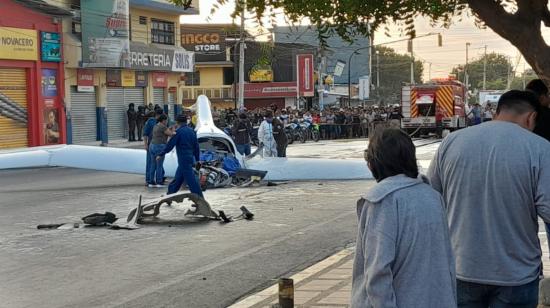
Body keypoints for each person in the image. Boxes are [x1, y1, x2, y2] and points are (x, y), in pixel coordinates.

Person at [427, 90, 550, 307]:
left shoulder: (452, 142)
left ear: (497, 111)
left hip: (461, 268)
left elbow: (431, 199)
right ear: (531, 118)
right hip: (516, 275)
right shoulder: (540, 148)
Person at [352, 128, 456, 307]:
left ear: (373, 163)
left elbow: (378, 275)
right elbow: (447, 261)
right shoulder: (431, 195)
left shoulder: (381, 201)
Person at [156, 115, 203, 198]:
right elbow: (196, 146)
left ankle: (199, 198)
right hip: (190, 157)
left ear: (177, 123)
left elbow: (170, 145)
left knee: (191, 180)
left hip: (183, 158)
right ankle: (169, 195)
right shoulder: (192, 131)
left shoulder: (179, 132)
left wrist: (161, 154)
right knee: (178, 178)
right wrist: (198, 159)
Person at [148, 114, 174, 187]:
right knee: (159, 165)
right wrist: (173, 131)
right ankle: (159, 182)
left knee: (153, 165)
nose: (167, 121)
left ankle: (151, 182)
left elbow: (163, 132)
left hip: (152, 146)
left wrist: (169, 129)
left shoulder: (156, 126)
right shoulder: (163, 126)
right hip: (159, 146)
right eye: (166, 120)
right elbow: (171, 134)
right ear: (163, 120)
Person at [143, 109, 163, 186]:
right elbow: (145, 134)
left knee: (157, 163)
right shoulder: (150, 122)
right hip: (151, 145)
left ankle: (159, 178)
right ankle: (149, 180)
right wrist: (145, 145)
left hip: (159, 145)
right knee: (151, 163)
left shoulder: (161, 122)